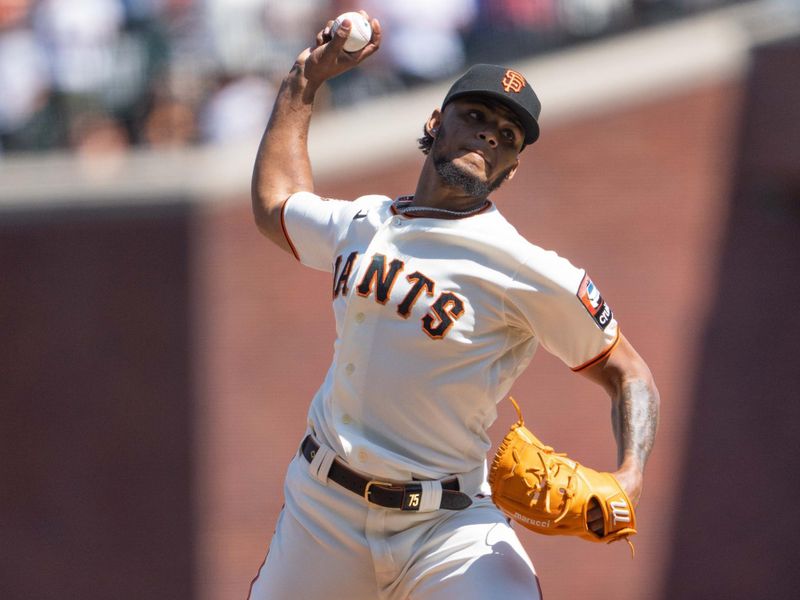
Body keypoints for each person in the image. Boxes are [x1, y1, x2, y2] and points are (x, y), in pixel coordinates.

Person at [249, 10, 659, 600]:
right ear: (436, 122)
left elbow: (631, 374)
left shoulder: (525, 267)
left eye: (507, 135)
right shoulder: (361, 222)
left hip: (448, 525)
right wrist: (302, 83)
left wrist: (630, 477)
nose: (490, 133)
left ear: (511, 169)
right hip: (322, 511)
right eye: (475, 116)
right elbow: (276, 204)